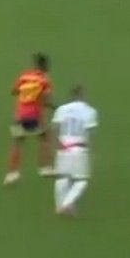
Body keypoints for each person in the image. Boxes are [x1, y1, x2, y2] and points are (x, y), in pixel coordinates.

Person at [5, 53, 56, 186]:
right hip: (34, 115)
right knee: (45, 137)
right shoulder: (44, 80)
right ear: (45, 66)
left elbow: (14, 91)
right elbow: (46, 99)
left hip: (20, 115)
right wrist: (54, 107)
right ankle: (45, 168)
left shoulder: (24, 76)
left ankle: (12, 174)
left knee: (17, 143)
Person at [51, 86, 99, 217]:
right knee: (81, 181)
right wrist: (91, 152)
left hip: (63, 146)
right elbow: (90, 132)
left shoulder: (62, 109)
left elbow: (54, 128)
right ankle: (66, 204)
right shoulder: (90, 111)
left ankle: (60, 206)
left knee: (62, 178)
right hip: (79, 148)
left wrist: (56, 144)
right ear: (83, 96)